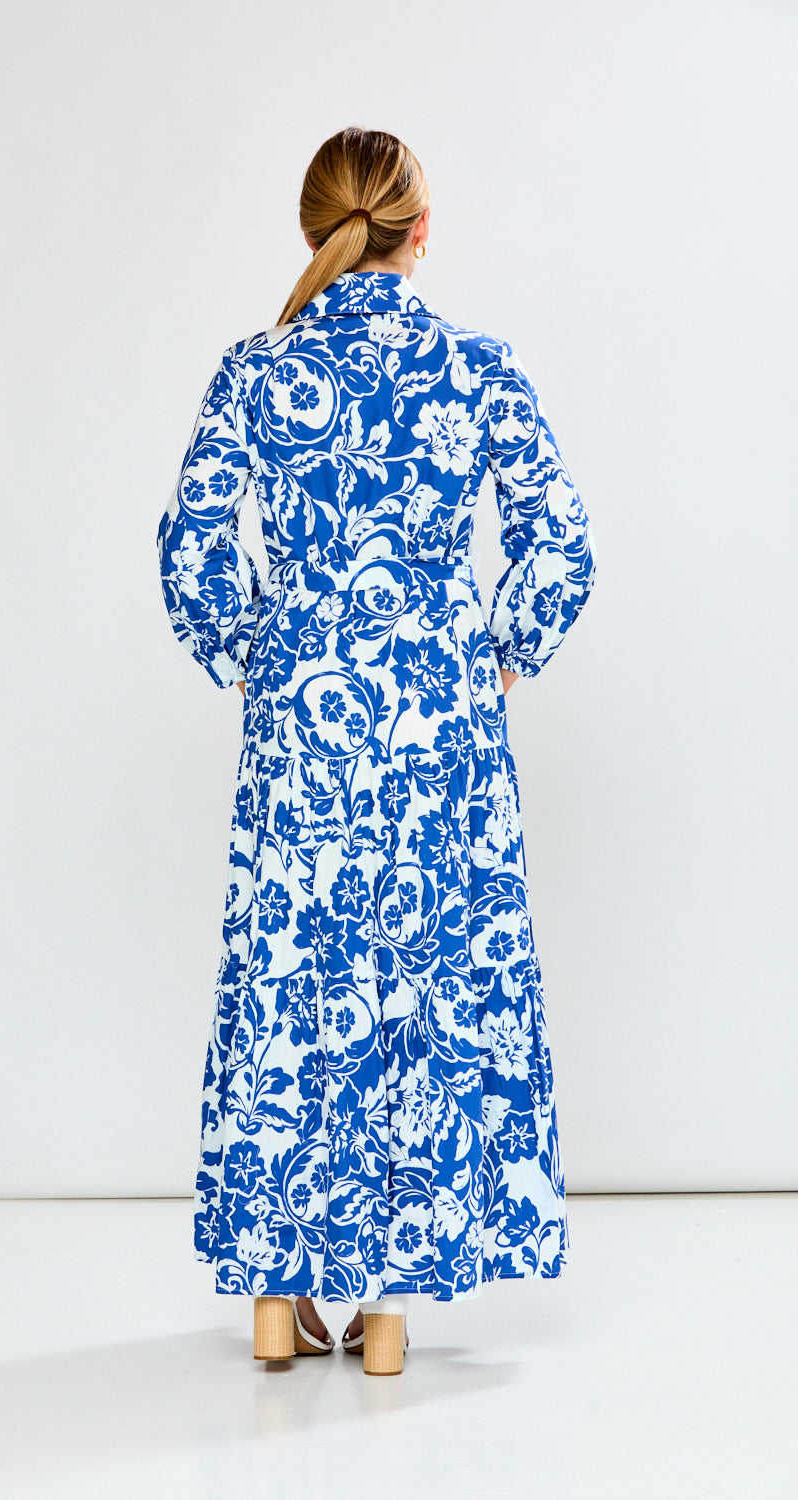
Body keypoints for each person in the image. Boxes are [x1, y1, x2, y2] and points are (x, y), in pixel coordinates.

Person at [156, 126, 597, 1376]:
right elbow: (560, 541)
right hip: (437, 733)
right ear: (418, 230)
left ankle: (271, 1301)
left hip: (303, 724)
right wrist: (493, 650)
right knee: (413, 993)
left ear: (314, 230)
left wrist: (266, 654)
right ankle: (391, 1313)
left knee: (294, 986)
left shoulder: (252, 371)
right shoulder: (476, 367)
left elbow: (189, 551)